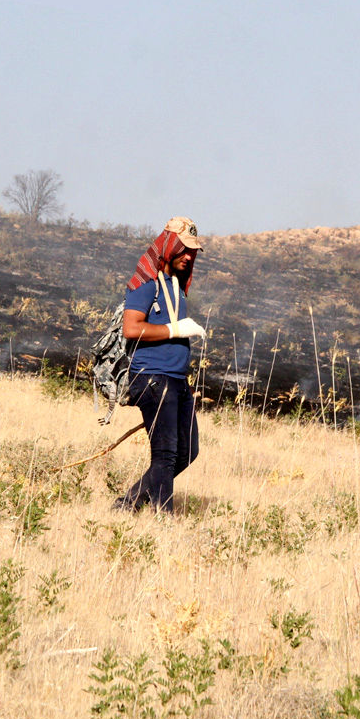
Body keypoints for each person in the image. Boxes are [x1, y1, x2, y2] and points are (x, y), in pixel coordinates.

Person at [115, 216, 206, 512]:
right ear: (168, 246)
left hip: (177, 380)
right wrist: (175, 330)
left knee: (187, 451)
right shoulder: (146, 284)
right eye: (184, 249)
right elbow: (131, 328)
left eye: (193, 251)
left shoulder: (177, 286)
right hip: (153, 377)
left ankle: (128, 503)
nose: (189, 256)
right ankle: (163, 521)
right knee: (165, 454)